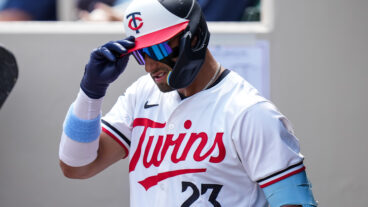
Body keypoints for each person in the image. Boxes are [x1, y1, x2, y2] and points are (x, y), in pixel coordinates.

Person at [59, 0, 318, 206]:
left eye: (157, 50)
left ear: (193, 38)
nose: (149, 66)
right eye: (140, 54)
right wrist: (91, 93)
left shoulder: (250, 113)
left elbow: (295, 203)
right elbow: (77, 167)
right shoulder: (141, 94)